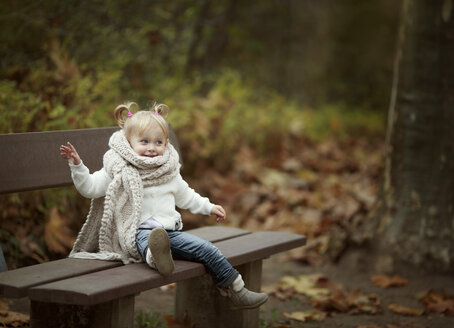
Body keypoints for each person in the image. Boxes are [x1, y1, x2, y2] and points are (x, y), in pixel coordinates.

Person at [59, 102, 268, 310]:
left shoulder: (169, 171)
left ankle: (237, 290)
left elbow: (186, 196)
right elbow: (90, 188)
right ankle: (157, 256)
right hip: (136, 232)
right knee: (149, 243)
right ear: (128, 141)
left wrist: (209, 207)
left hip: (169, 233)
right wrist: (77, 166)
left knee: (206, 248)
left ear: (166, 144)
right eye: (144, 141)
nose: (151, 148)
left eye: (158, 142)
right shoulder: (118, 168)